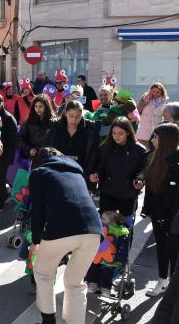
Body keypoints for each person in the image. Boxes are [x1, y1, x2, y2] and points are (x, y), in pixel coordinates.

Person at [29, 148, 102, 324]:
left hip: (61, 228)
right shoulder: (77, 170)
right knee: (74, 283)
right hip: (93, 230)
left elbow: (37, 210)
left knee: (43, 273)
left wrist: (35, 241)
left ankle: (48, 320)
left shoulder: (39, 172)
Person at [143, 123, 179, 297]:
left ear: (165, 140)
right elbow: (150, 189)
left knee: (173, 252)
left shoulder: (176, 162)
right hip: (157, 214)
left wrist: (168, 216)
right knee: (162, 250)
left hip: (173, 217)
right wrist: (148, 210)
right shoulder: (153, 157)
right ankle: (162, 280)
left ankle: (172, 285)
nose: (152, 140)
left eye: (155, 137)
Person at [89, 117, 147, 218]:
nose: (116, 136)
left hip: (128, 193)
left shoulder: (139, 150)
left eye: (120, 133)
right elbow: (100, 166)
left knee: (126, 227)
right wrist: (96, 175)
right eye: (114, 133)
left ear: (128, 132)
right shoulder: (104, 147)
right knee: (107, 228)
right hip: (108, 193)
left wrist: (139, 179)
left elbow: (143, 170)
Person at [46, 100, 100, 188]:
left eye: (78, 117)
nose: (74, 120)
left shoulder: (89, 131)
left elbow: (93, 156)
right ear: (65, 113)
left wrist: (90, 181)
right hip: (58, 174)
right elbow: (48, 151)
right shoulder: (55, 128)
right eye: (71, 116)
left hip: (81, 177)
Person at [86, 211, 130, 296]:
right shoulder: (101, 229)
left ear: (112, 222)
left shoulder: (121, 232)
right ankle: (93, 284)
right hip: (99, 256)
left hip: (112, 258)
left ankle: (106, 288)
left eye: (103, 219)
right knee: (92, 267)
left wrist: (120, 259)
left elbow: (122, 248)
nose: (100, 220)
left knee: (106, 271)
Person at [0, 93, 19, 210]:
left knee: (1, 178)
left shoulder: (8, 118)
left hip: (4, 154)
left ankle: (0, 203)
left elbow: (14, 140)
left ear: (1, 103)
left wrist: (8, 156)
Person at [19, 94, 55, 159]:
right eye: (36, 106)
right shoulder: (29, 121)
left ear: (46, 107)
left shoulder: (53, 122)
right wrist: (29, 149)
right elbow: (21, 138)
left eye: (41, 106)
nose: (38, 109)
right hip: (34, 157)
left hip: (50, 157)